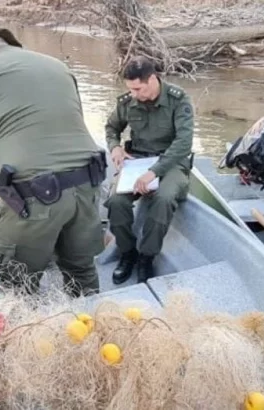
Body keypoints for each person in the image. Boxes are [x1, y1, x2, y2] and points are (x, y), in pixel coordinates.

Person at [0, 27, 108, 297]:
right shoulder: (59, 67)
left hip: (32, 197)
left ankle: (30, 335)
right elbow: (73, 120)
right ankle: (97, 329)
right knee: (82, 272)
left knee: (18, 284)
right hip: (88, 184)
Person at [105, 56, 194, 284]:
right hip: (137, 161)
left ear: (152, 79)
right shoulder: (127, 102)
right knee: (116, 201)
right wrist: (115, 147)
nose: (134, 94)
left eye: (138, 89)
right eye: (130, 89)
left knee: (163, 199)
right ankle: (128, 253)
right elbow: (112, 127)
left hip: (171, 162)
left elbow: (184, 143)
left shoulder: (178, 100)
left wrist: (155, 171)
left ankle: (147, 256)